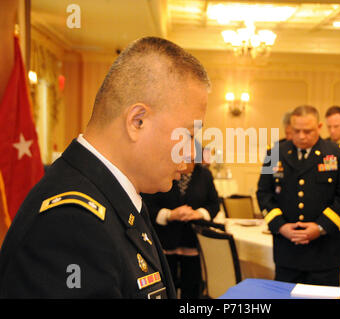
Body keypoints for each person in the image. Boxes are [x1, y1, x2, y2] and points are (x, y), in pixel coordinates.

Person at [0, 37, 210, 298]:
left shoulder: (114, 194)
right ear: (138, 121)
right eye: (189, 135)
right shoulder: (72, 224)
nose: (192, 153)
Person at [257, 105, 340, 286]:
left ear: (319, 127)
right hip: (288, 251)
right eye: (296, 131)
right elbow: (264, 193)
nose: (302, 136)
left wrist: (320, 227)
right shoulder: (274, 153)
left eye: (308, 131)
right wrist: (280, 226)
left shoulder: (338, 154)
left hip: (325, 252)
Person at [142, 146, 220, 299]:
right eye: (184, 158)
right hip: (165, 241)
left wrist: (199, 213)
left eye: (191, 159)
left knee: (191, 289)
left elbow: (214, 204)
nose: (187, 164)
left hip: (192, 241)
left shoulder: (204, 175)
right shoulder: (162, 172)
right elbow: (147, 206)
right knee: (166, 288)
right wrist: (170, 215)